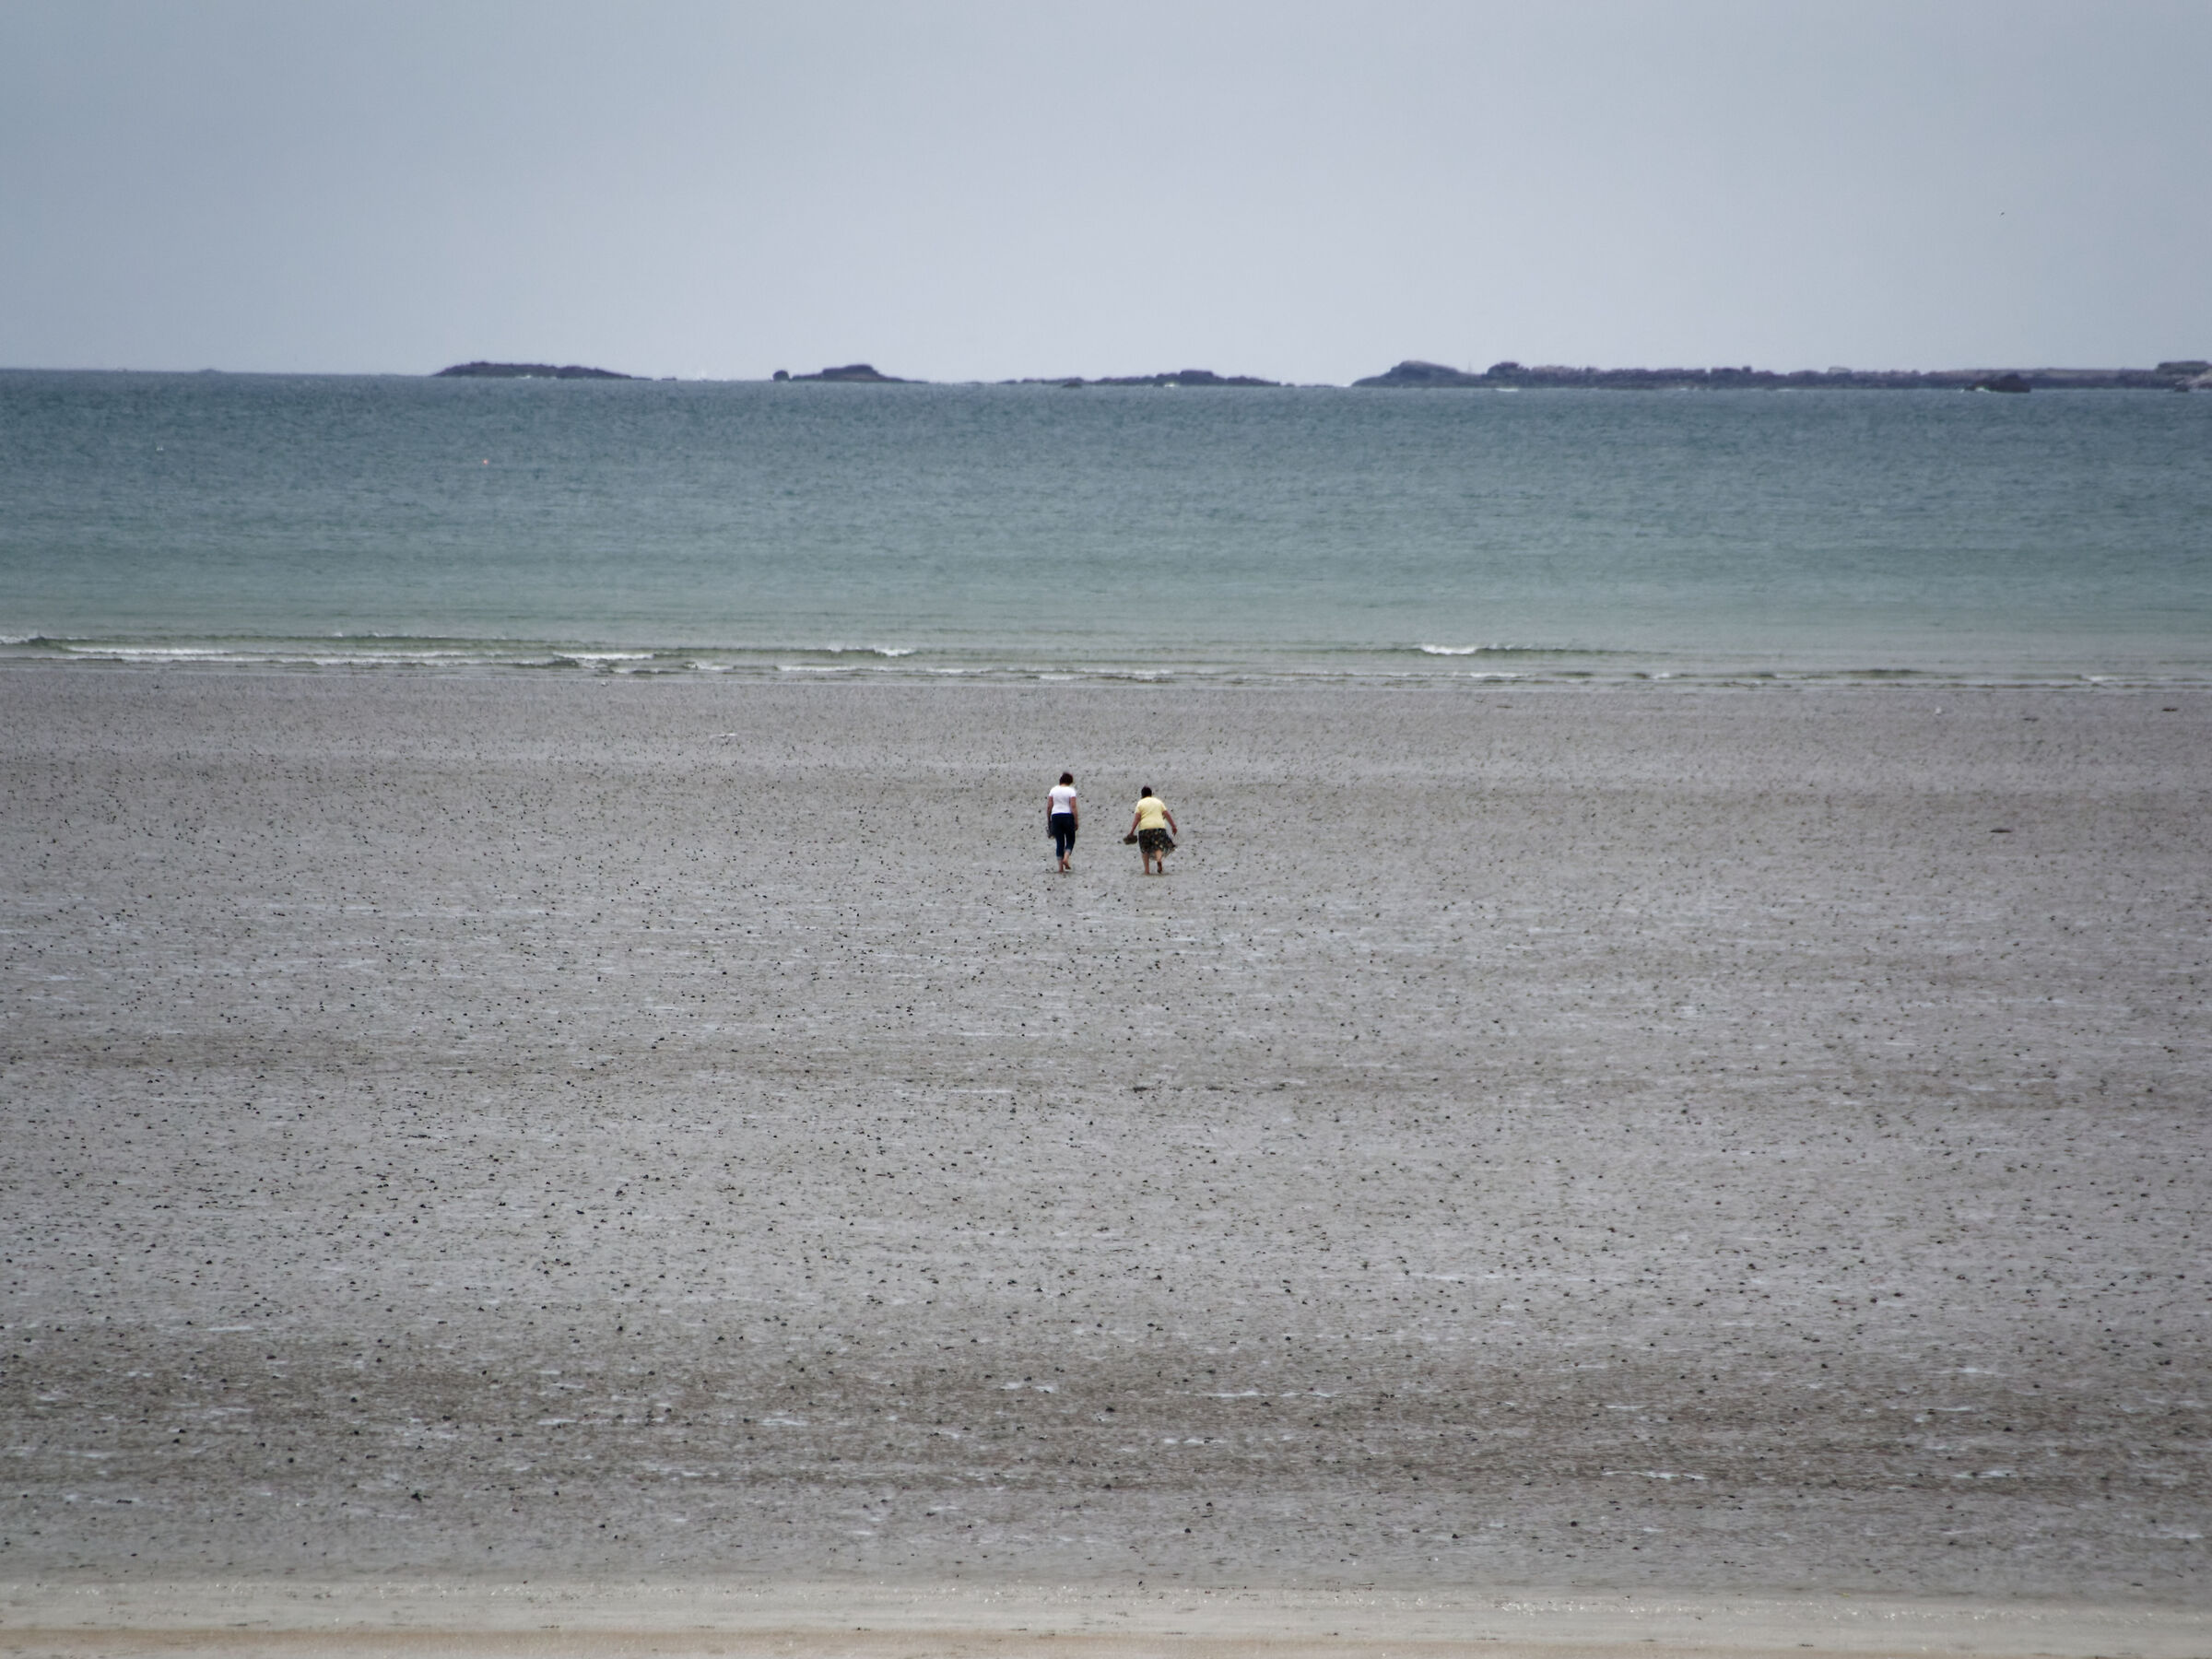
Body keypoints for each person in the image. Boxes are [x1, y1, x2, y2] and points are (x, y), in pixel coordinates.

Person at [1126, 785, 1178, 876]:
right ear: (1151, 794)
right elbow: (1166, 814)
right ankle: (1159, 861)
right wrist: (1173, 826)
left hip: (1144, 829)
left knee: (1145, 849)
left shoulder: (1140, 803)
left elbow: (1137, 819)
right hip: (1159, 827)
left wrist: (1131, 831)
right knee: (1158, 847)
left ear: (1142, 795)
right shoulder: (1158, 802)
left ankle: (1147, 871)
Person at [1046, 771, 1079, 872]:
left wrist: (1049, 819)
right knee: (1070, 840)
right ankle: (1066, 858)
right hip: (1067, 816)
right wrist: (1076, 820)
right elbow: (1073, 806)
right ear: (1070, 781)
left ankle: (1060, 868)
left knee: (1059, 842)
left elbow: (1049, 806)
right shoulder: (1071, 791)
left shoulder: (1053, 790)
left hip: (1055, 816)